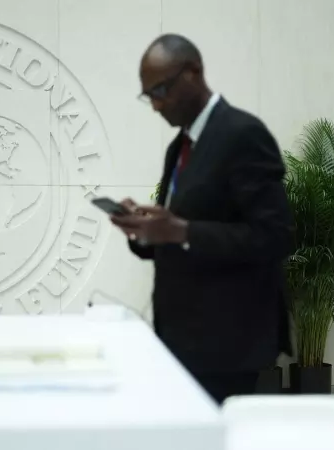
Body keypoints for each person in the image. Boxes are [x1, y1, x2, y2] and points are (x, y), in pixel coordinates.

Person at [111, 34, 294, 404]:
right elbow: (176, 236)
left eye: (160, 90)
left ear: (193, 72)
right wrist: (145, 231)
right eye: (149, 95)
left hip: (228, 341)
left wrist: (181, 230)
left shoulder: (243, 134)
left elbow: (277, 236)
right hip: (180, 336)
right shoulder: (178, 147)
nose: (156, 105)